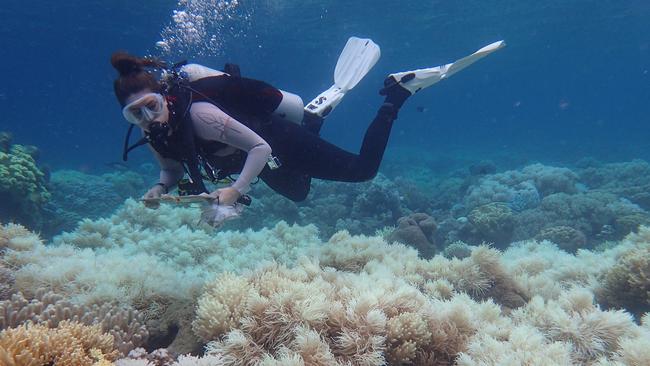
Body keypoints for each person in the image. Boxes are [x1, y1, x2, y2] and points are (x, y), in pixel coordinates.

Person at [111, 39, 504, 206]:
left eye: (150, 105)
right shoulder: (153, 135)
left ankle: (399, 93)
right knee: (299, 195)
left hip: (274, 143)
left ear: (162, 96)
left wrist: (235, 189)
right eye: (135, 114)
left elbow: (260, 149)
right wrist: (158, 189)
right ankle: (312, 118)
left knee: (362, 171)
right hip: (259, 162)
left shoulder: (201, 115)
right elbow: (170, 170)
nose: (148, 117)